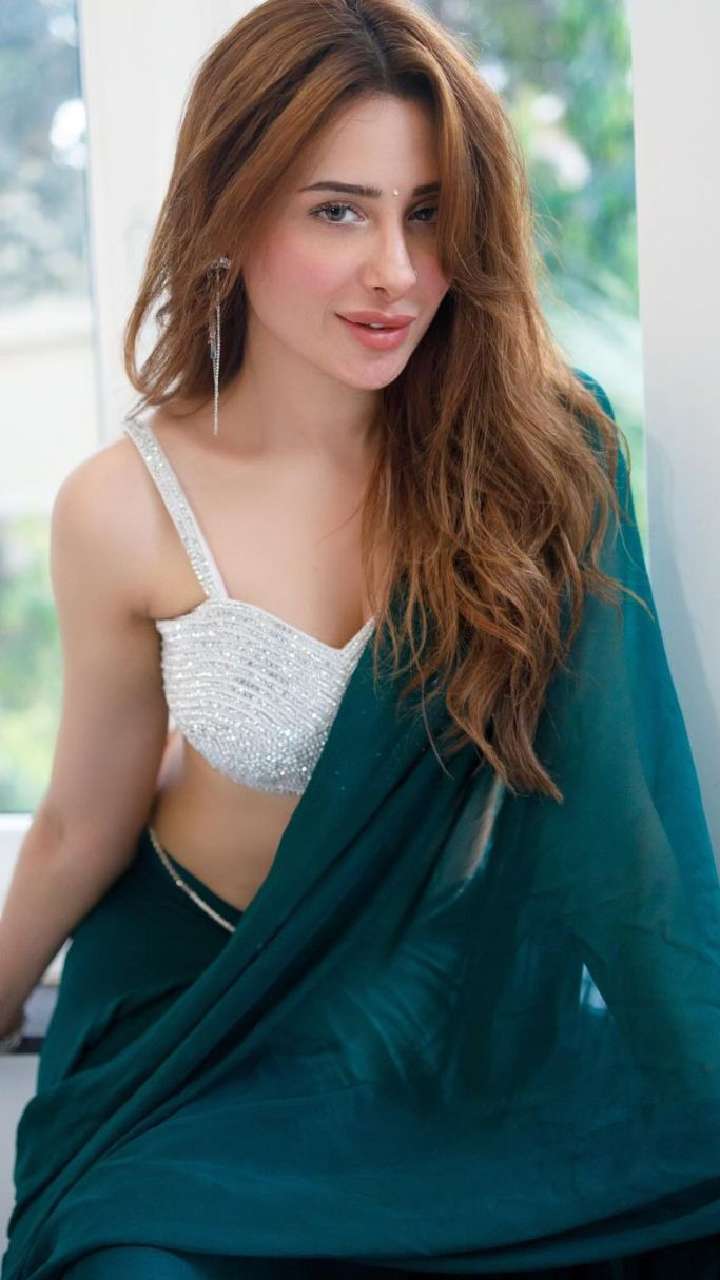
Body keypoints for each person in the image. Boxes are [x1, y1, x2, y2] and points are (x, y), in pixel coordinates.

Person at [1, 0, 719, 1276]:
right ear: (231, 212)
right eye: (339, 211)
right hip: (192, 1035)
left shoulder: (546, 455)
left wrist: (699, 1081)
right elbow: (75, 826)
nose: (397, 269)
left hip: (438, 1034)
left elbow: (623, 840)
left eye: (429, 213)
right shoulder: (123, 507)